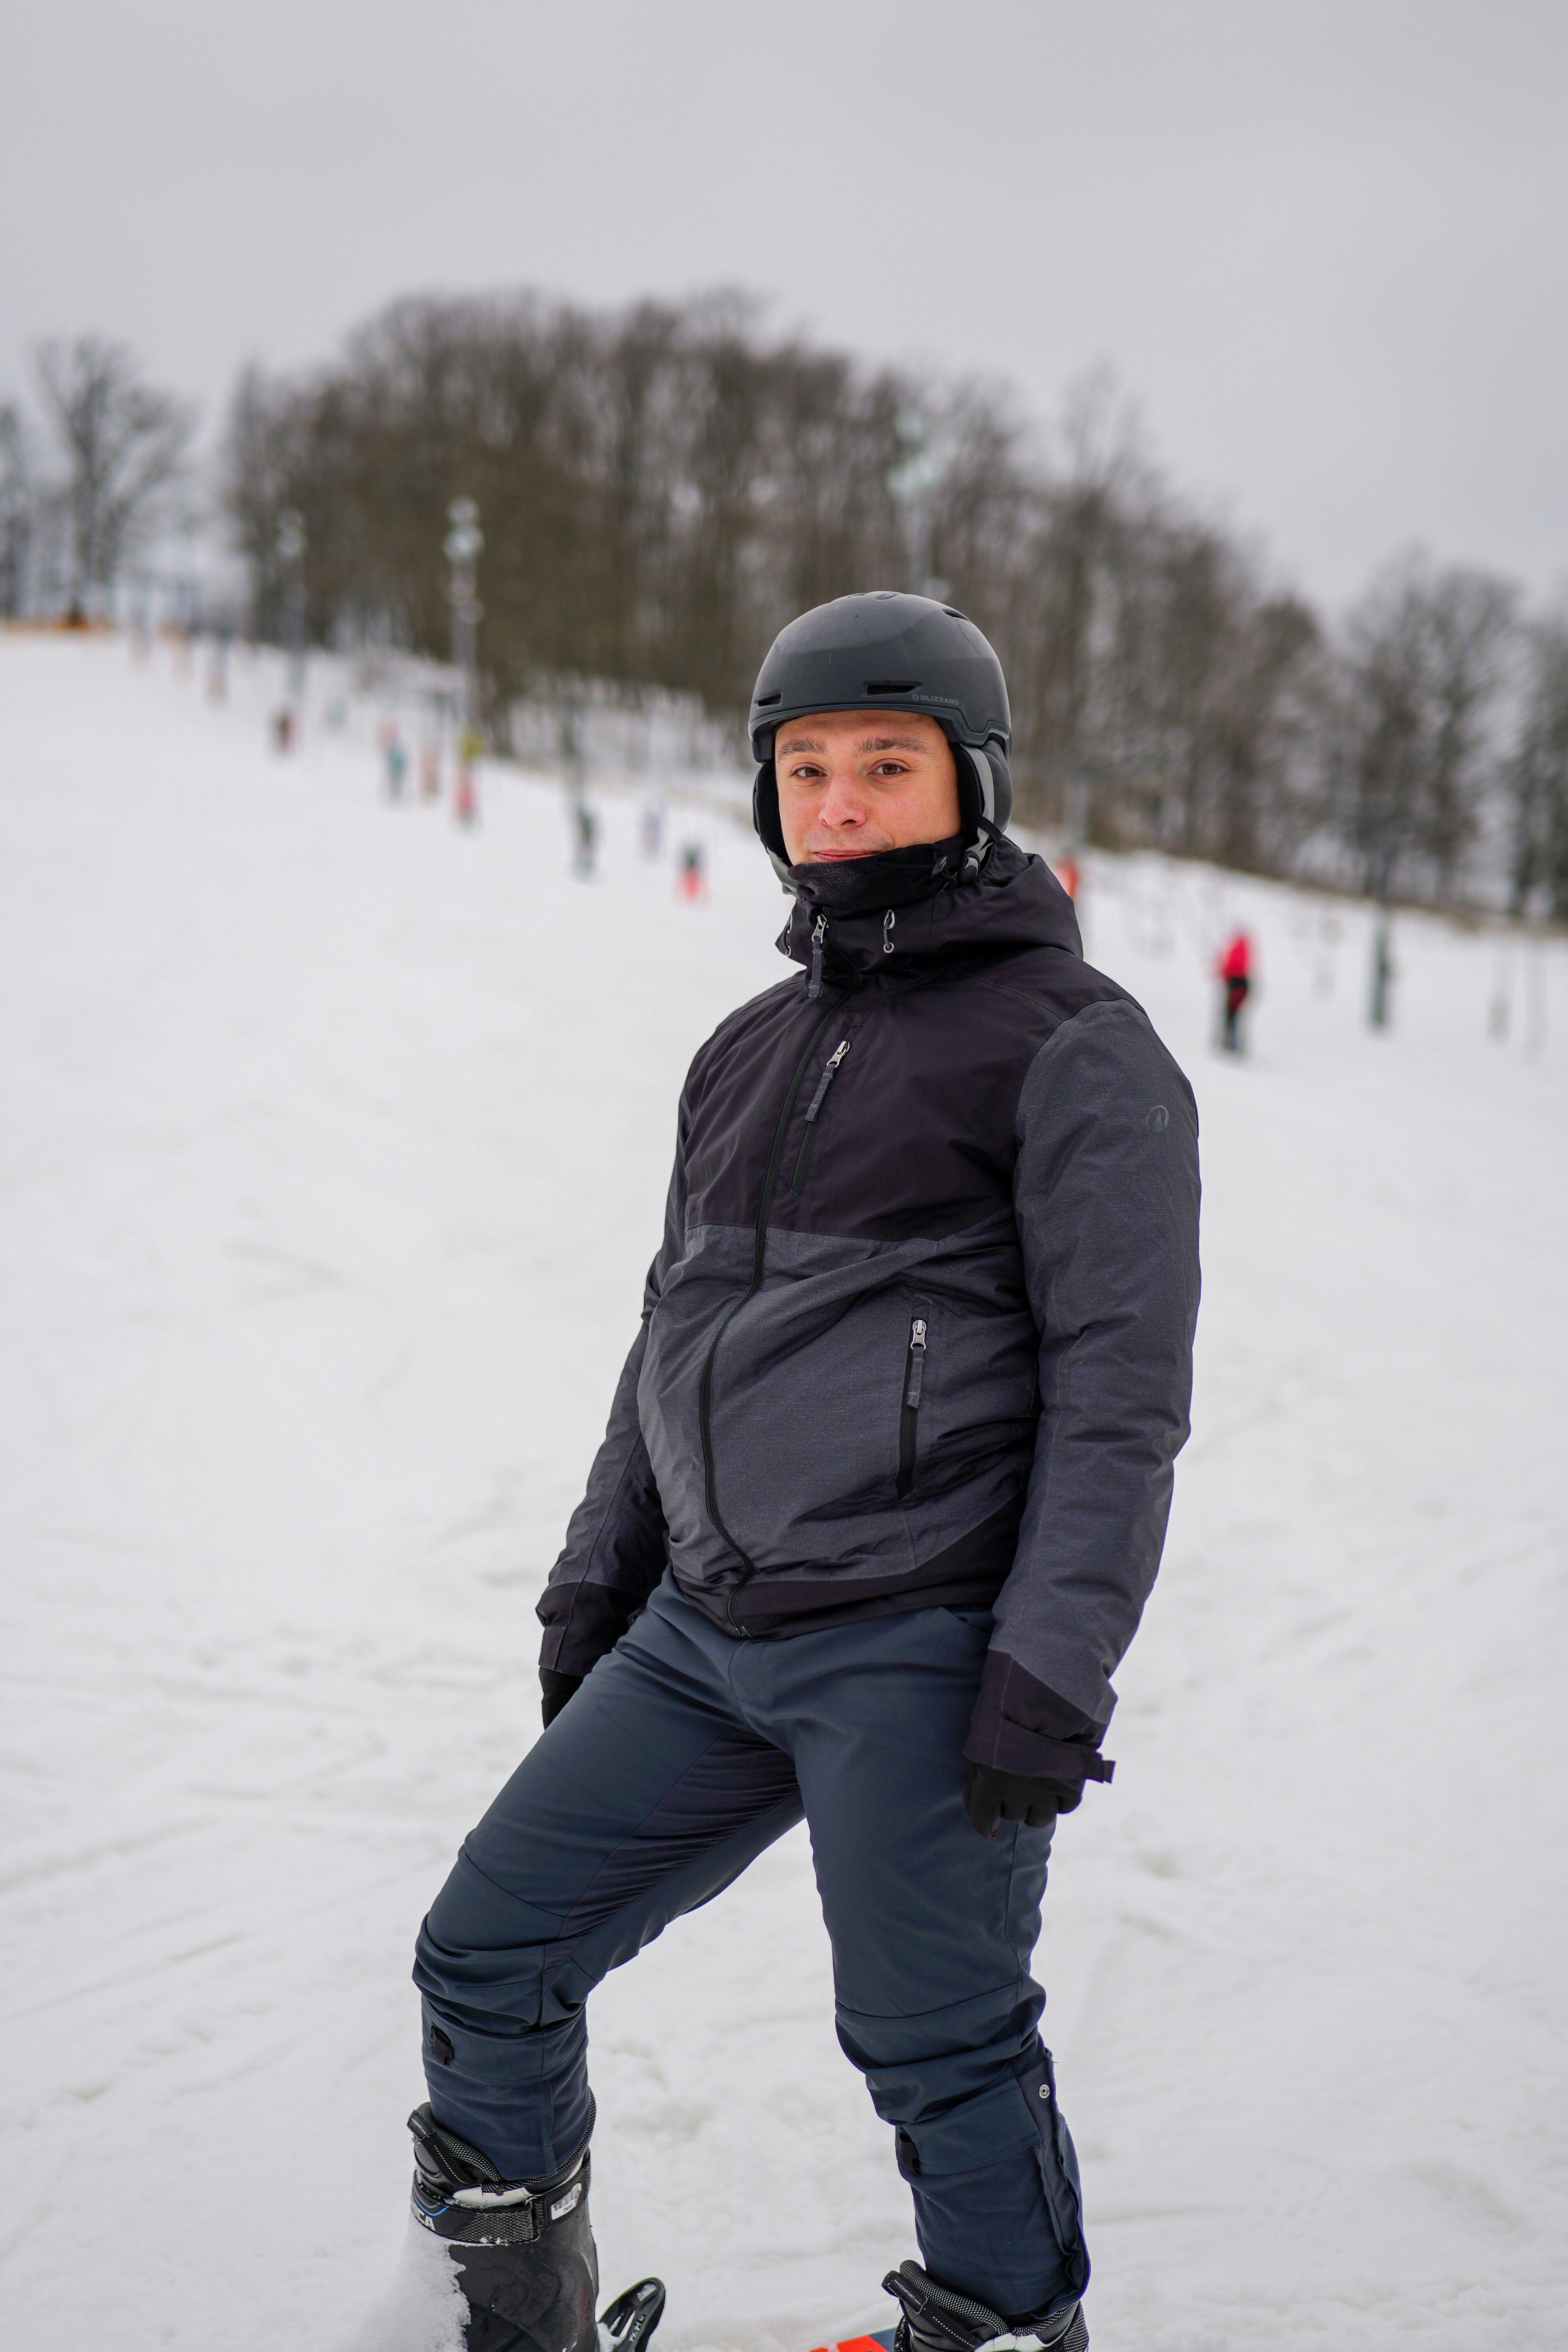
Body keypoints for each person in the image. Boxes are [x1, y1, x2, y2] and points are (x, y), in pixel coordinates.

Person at [402, 595, 1201, 2352]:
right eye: (805, 766)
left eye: (883, 764)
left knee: (936, 2040)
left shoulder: (1073, 1044)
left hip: (917, 1641)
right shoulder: (742, 1048)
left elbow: (1118, 1394)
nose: (837, 799)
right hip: (700, 1631)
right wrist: (594, 1582)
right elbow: (666, 1331)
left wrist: (1047, 1664)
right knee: (487, 1948)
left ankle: (995, 2326)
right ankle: (504, 2319)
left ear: (968, 783)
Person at [1216, 930, 1252, 1052]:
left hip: (1236, 984)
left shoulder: (1236, 949)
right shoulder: (1244, 949)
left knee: (1231, 1015)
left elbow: (1230, 967)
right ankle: (1231, 1045)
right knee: (1234, 1016)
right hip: (1240, 984)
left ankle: (1230, 1045)